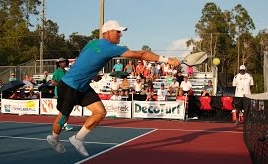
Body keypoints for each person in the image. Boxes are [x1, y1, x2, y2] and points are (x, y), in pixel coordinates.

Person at [46, 20, 180, 156]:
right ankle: (54, 138)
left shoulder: (92, 43)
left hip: (83, 86)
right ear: (108, 33)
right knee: (63, 118)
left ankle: (77, 138)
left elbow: (85, 60)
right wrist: (167, 60)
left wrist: (91, 76)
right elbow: (142, 54)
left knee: (100, 112)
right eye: (118, 32)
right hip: (69, 85)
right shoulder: (110, 48)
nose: (120, 35)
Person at [51, 57, 73, 131]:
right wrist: (61, 85)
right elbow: (53, 82)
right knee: (64, 109)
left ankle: (62, 123)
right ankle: (64, 124)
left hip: (66, 93)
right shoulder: (57, 72)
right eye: (62, 62)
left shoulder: (66, 72)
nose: (64, 63)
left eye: (65, 62)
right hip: (60, 93)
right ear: (59, 64)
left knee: (64, 109)